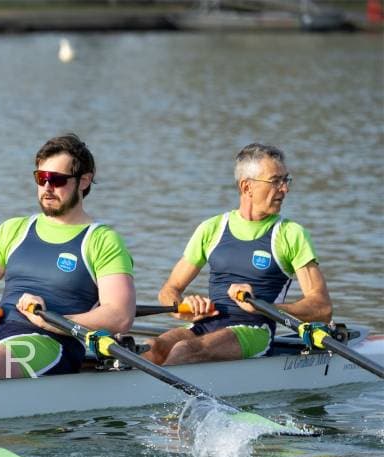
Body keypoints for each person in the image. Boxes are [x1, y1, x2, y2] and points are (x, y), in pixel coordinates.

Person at [0, 133, 135, 385]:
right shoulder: (14, 230)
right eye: (41, 178)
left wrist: (52, 321)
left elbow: (120, 316)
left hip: (52, 341)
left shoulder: (102, 240)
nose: (47, 187)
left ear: (84, 181)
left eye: (57, 180)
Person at [141, 143, 332, 366]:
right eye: (275, 181)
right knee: (152, 347)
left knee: (185, 350)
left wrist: (264, 307)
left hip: (254, 329)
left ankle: (159, 388)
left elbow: (322, 307)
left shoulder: (291, 234)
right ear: (246, 186)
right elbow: (169, 290)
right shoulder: (212, 228)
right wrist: (183, 308)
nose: (284, 189)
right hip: (206, 324)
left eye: (285, 180)